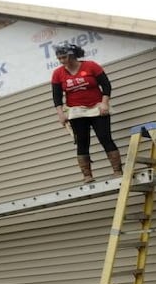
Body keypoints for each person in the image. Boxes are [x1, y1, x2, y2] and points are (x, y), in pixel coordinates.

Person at [50, 41, 122, 184]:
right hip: (76, 111)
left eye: (64, 57)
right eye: (59, 58)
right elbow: (56, 96)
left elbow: (106, 85)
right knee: (82, 141)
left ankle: (117, 171)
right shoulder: (58, 73)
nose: (62, 61)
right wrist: (61, 113)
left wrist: (104, 103)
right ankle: (87, 175)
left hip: (97, 107)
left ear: (72, 55)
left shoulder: (91, 66)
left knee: (105, 137)